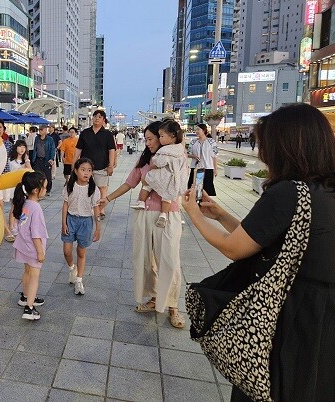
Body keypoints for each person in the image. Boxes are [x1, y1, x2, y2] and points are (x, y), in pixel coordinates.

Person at [182, 104, 335, 401]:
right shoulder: (323, 189)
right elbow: (270, 237)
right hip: (324, 311)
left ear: (285, 145)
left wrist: (194, 214)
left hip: (294, 311)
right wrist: (221, 215)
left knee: (280, 385)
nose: (262, 151)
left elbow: (234, 247)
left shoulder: (289, 191)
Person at [100, 121, 185, 329]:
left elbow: (181, 184)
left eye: (151, 139)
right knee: (146, 261)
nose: (147, 143)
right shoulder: (145, 158)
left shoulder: (177, 157)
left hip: (168, 214)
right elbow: (130, 183)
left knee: (170, 261)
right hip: (145, 214)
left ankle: (173, 306)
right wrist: (108, 198)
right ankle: (155, 297)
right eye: (145, 139)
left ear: (163, 137)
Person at [133, 120, 188, 228]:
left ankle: (141, 201)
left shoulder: (166, 150)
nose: (160, 138)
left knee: (147, 183)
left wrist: (153, 165)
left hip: (162, 177)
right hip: (173, 181)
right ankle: (164, 214)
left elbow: (160, 162)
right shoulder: (180, 150)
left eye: (161, 136)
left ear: (172, 135)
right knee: (167, 196)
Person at [61, 158, 101, 296]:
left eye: (89, 170)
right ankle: (72, 268)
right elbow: (65, 204)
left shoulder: (93, 189)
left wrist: (98, 228)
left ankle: (79, 280)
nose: (86, 173)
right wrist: (63, 223)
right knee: (67, 250)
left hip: (86, 222)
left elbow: (96, 209)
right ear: (76, 171)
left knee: (81, 252)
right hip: (71, 220)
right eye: (83, 170)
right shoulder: (69, 186)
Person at [11, 171, 48, 320]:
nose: (46, 190)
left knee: (27, 272)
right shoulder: (36, 208)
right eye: (44, 187)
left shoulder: (26, 203)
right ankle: (29, 308)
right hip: (32, 247)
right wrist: (40, 252)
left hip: (23, 245)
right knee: (34, 276)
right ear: (35, 190)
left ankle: (25, 297)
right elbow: (36, 233)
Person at [74, 109, 116, 218]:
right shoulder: (85, 133)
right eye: (95, 116)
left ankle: (101, 209)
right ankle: (86, 207)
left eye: (100, 117)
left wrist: (111, 165)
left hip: (102, 166)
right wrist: (74, 163)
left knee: (102, 188)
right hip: (85, 167)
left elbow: (112, 150)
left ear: (103, 120)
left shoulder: (107, 134)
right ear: (92, 118)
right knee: (85, 187)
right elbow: (78, 149)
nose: (97, 118)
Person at [0, 120, 15, 242]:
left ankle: (9, 226)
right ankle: (6, 230)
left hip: (6, 177)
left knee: (11, 203)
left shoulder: (8, 143)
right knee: (0, 205)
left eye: (0, 127)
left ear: (4, 128)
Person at [186, 123, 218, 196]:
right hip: (196, 168)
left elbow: (215, 156)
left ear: (203, 130)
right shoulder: (193, 142)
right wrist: (193, 156)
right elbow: (187, 154)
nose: (196, 131)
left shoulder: (211, 142)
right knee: (195, 187)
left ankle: (205, 204)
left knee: (206, 188)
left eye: (198, 129)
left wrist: (215, 169)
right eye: (195, 130)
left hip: (208, 168)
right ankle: (196, 203)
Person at [30, 125, 55, 194]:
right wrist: (33, 160)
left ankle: (48, 190)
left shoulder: (50, 139)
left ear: (45, 131)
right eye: (39, 130)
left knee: (47, 177)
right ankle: (40, 190)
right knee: (38, 176)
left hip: (46, 160)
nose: (40, 131)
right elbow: (35, 149)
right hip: (38, 160)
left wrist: (51, 158)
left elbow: (52, 149)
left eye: (42, 130)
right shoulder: (37, 138)